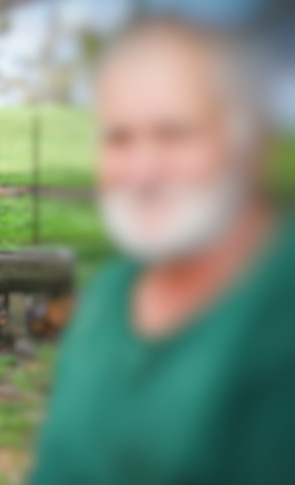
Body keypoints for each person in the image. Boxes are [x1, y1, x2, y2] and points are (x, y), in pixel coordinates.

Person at [31, 19, 295, 485]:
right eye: (120, 138)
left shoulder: (278, 317)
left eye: (174, 134)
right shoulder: (109, 296)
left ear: (247, 143)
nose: (143, 170)